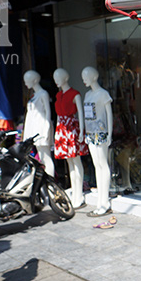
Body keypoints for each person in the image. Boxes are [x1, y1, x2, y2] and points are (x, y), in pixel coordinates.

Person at [53, 68, 89, 209]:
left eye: (58, 77)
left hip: (72, 128)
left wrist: (81, 132)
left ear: (65, 78)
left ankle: (79, 195)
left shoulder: (75, 94)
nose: (56, 81)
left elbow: (81, 113)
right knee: (70, 163)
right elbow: (58, 116)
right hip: (62, 129)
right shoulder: (58, 95)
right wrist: (57, 131)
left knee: (76, 161)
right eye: (55, 78)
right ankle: (75, 193)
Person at [81, 66, 114, 217]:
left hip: (101, 133)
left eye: (85, 76)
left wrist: (110, 134)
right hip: (90, 133)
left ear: (94, 77)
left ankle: (105, 201)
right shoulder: (87, 94)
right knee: (96, 166)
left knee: (103, 164)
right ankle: (100, 200)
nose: (83, 80)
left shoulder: (103, 94)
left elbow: (109, 114)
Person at [22, 70, 54, 177]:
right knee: (41, 157)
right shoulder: (34, 96)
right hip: (34, 131)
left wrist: (46, 130)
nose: (26, 83)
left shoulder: (43, 94)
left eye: (28, 80)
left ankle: (52, 184)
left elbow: (48, 113)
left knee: (46, 157)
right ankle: (46, 184)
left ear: (35, 80)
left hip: (41, 130)